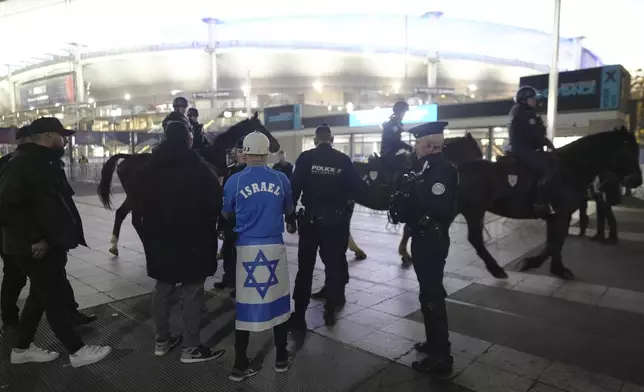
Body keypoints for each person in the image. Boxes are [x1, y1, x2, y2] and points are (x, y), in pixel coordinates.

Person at [0, 117, 111, 367]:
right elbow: (6, 205)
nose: (66, 139)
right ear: (49, 136)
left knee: (39, 297)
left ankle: (22, 349)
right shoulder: (24, 164)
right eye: (63, 135)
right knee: (54, 297)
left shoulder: (43, 162)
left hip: (49, 243)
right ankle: (76, 350)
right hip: (34, 247)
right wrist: (35, 238)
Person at [140, 121, 225, 363]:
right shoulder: (199, 169)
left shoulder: (149, 168)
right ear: (188, 140)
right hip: (193, 240)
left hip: (160, 239)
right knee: (192, 292)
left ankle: (161, 340)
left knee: (163, 289)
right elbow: (214, 205)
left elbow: (142, 204)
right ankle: (191, 348)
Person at [222, 131, 294, 382]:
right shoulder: (281, 178)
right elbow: (289, 209)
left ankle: (239, 364)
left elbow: (227, 213)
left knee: (245, 307)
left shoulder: (235, 181)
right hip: (274, 248)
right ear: (266, 152)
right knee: (279, 302)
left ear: (245, 151)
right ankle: (282, 357)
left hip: (246, 250)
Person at [388, 121, 457, 375]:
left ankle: (441, 356)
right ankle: (434, 342)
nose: (414, 147)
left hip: (432, 239)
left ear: (429, 145)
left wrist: (412, 206)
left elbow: (437, 208)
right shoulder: (426, 168)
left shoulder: (442, 170)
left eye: (417, 142)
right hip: (423, 237)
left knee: (432, 296)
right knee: (427, 295)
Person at [288, 124, 369, 328]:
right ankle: (330, 311)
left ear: (315, 140)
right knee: (333, 267)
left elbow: (294, 188)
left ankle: (299, 315)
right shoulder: (343, 160)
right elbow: (360, 189)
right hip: (336, 223)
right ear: (331, 140)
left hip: (310, 222)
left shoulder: (306, 158)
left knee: (305, 269)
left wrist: (289, 218)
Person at [507, 86, 556, 214]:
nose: (535, 101)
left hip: (522, 148)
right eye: (532, 98)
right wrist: (547, 143)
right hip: (524, 150)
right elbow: (533, 134)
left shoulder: (520, 111)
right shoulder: (524, 113)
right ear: (524, 100)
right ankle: (539, 202)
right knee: (548, 169)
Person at [214, 137, 246, 294]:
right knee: (228, 252)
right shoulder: (231, 171)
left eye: (243, 151)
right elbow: (224, 199)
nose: (241, 154)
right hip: (229, 221)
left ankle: (239, 284)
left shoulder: (248, 172)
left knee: (239, 254)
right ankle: (228, 279)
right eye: (239, 151)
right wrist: (221, 225)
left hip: (241, 221)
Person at [590, 171, 621, 244]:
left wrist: (602, 187)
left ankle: (613, 237)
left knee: (608, 215)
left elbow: (611, 180)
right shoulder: (601, 171)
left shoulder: (608, 171)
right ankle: (600, 234)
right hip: (600, 194)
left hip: (605, 194)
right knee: (600, 214)